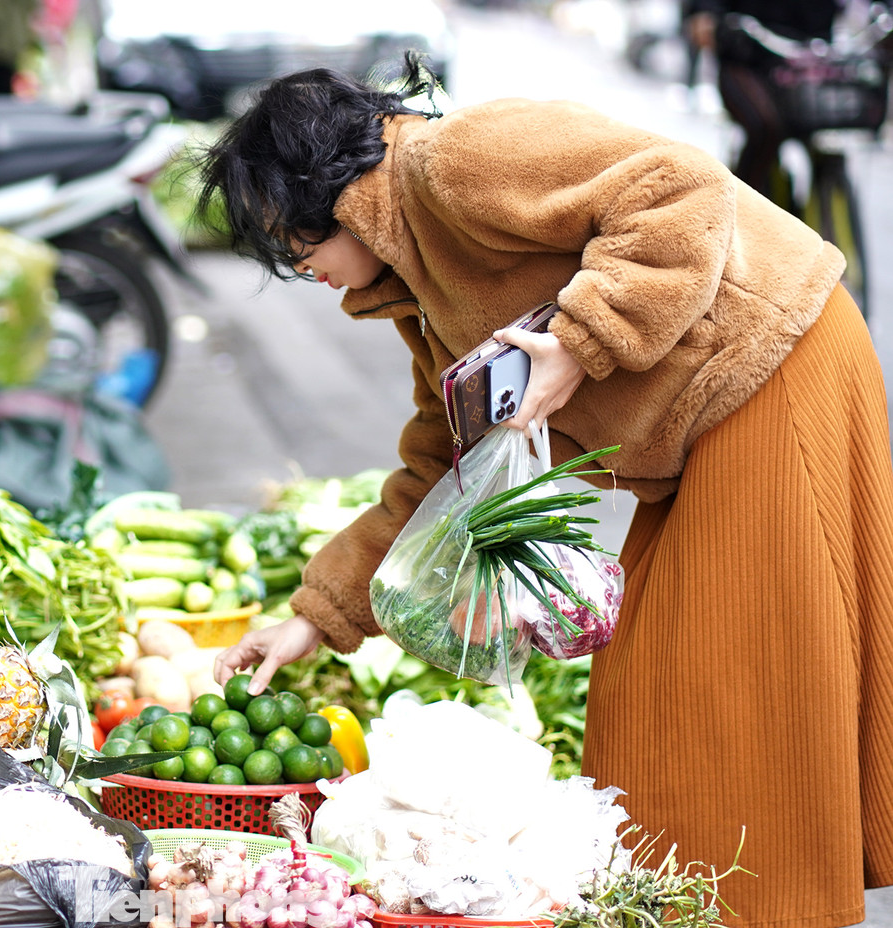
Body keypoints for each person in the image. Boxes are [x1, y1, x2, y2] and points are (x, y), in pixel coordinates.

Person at [198, 56, 893, 928]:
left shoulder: (459, 162)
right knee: (648, 700)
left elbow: (680, 191)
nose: (304, 270)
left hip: (770, 366)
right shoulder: (413, 285)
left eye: (293, 246)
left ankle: (767, 911)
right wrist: (315, 615)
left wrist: (579, 339)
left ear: (326, 192)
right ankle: (691, 908)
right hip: (694, 426)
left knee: (741, 691)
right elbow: (437, 466)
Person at [683, 0, 844, 199]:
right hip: (745, 58)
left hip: (807, 63)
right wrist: (706, 15)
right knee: (765, 127)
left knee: (824, 124)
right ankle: (739, 205)